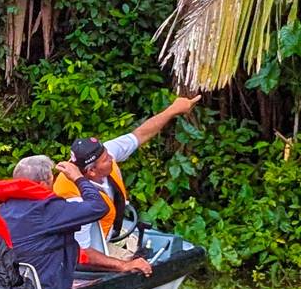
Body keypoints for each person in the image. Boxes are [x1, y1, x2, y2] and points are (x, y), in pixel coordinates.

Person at [53, 95, 202, 245]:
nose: (111, 158)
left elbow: (140, 134)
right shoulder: (71, 198)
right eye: (106, 159)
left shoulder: (101, 155)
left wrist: (173, 110)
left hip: (112, 232)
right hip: (89, 247)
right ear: (91, 171)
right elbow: (80, 250)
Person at [0, 155, 149, 289]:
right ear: (43, 184)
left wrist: (121, 265)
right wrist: (78, 177)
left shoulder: (2, 209)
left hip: (14, 288)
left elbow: (77, 252)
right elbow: (99, 207)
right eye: (51, 180)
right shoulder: (49, 210)